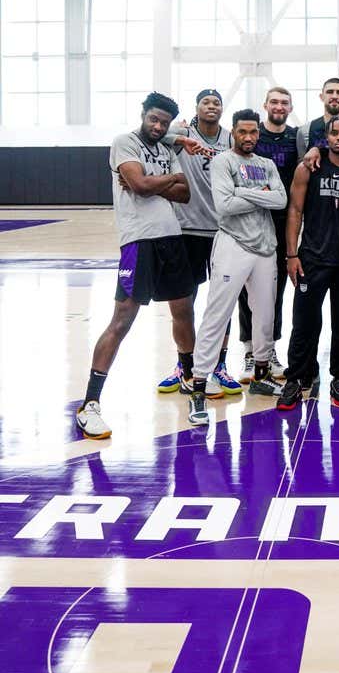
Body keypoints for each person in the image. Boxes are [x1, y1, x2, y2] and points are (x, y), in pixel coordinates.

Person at [76, 92, 196, 439]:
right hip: (138, 242)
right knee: (122, 320)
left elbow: (183, 193)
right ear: (143, 114)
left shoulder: (165, 150)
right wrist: (157, 182)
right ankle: (90, 404)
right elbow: (141, 187)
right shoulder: (123, 143)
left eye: (164, 122)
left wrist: (148, 182)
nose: (158, 126)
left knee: (183, 311)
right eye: (153, 119)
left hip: (171, 237)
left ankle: (187, 375)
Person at [187, 110, 288, 425]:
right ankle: (199, 386)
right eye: (243, 132)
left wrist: (242, 192)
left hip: (265, 247)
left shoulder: (266, 164)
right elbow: (224, 206)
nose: (248, 137)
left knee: (265, 315)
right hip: (233, 244)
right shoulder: (222, 162)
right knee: (217, 313)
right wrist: (261, 196)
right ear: (233, 132)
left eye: (253, 132)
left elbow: (282, 200)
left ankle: (260, 373)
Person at [278, 117, 339, 411]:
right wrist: (291, 255)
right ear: (326, 139)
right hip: (312, 259)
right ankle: (295, 378)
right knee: (304, 321)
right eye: (336, 133)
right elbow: (294, 210)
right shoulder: (309, 167)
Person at [157, 89, 241, 398]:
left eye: (216, 102)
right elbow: (153, 135)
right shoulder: (181, 131)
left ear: (222, 109)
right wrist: (180, 138)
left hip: (222, 232)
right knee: (183, 303)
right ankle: (186, 365)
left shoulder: (230, 138)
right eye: (206, 101)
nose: (211, 106)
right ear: (197, 108)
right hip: (187, 230)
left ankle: (218, 365)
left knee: (222, 303)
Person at [237, 85, 298, 382]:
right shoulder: (251, 133)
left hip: (283, 222)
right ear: (265, 104)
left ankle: (270, 349)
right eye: (274, 101)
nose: (278, 106)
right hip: (251, 221)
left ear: (290, 107)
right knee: (246, 290)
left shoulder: (296, 137)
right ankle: (249, 351)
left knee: (275, 291)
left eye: (284, 102)